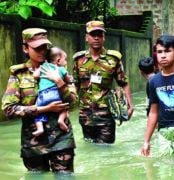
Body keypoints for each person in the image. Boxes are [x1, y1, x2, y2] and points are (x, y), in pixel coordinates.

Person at [1, 28, 77, 173]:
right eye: (37, 48)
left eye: (44, 47)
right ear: (25, 48)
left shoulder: (59, 68)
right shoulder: (18, 74)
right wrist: (43, 109)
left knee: (65, 177)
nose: (42, 51)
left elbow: (74, 103)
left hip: (61, 137)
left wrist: (60, 83)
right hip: (33, 141)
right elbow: (8, 109)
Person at [72, 20, 134, 144]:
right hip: (86, 115)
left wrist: (129, 105)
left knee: (105, 149)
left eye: (99, 34)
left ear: (104, 37)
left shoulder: (113, 59)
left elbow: (123, 82)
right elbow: (75, 84)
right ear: (86, 37)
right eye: (93, 34)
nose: (96, 38)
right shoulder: (79, 60)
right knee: (89, 149)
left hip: (107, 114)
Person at [32, 46, 74, 136]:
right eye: (65, 60)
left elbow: (35, 75)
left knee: (38, 112)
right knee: (65, 107)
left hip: (42, 95)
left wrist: (37, 70)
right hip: (55, 93)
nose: (66, 62)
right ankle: (61, 120)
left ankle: (40, 128)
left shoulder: (43, 66)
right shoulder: (61, 69)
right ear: (58, 61)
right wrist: (61, 80)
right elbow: (68, 80)